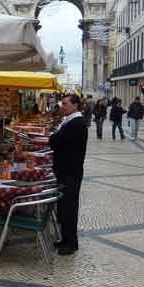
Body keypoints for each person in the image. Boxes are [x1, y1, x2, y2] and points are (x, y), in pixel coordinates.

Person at [48, 94, 89, 256]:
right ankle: (65, 239)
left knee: (69, 207)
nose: (62, 106)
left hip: (70, 172)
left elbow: (55, 142)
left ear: (75, 105)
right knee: (65, 207)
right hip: (66, 171)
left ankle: (71, 243)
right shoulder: (71, 121)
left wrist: (53, 137)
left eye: (65, 104)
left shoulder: (76, 124)